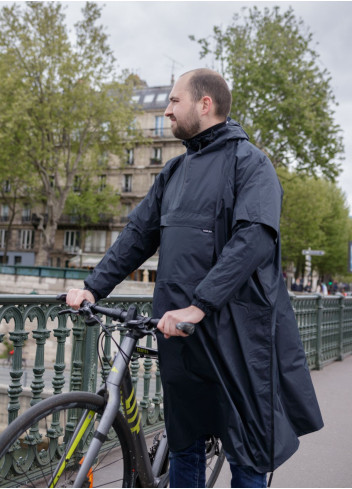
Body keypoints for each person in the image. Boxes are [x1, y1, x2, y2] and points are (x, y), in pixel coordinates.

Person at [66, 69, 323, 488]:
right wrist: (94, 285)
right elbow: (136, 237)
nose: (166, 110)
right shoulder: (173, 172)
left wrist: (200, 304)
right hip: (179, 335)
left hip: (236, 337)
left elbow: (253, 240)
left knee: (247, 454)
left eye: (174, 101)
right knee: (183, 444)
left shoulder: (252, 164)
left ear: (205, 105)